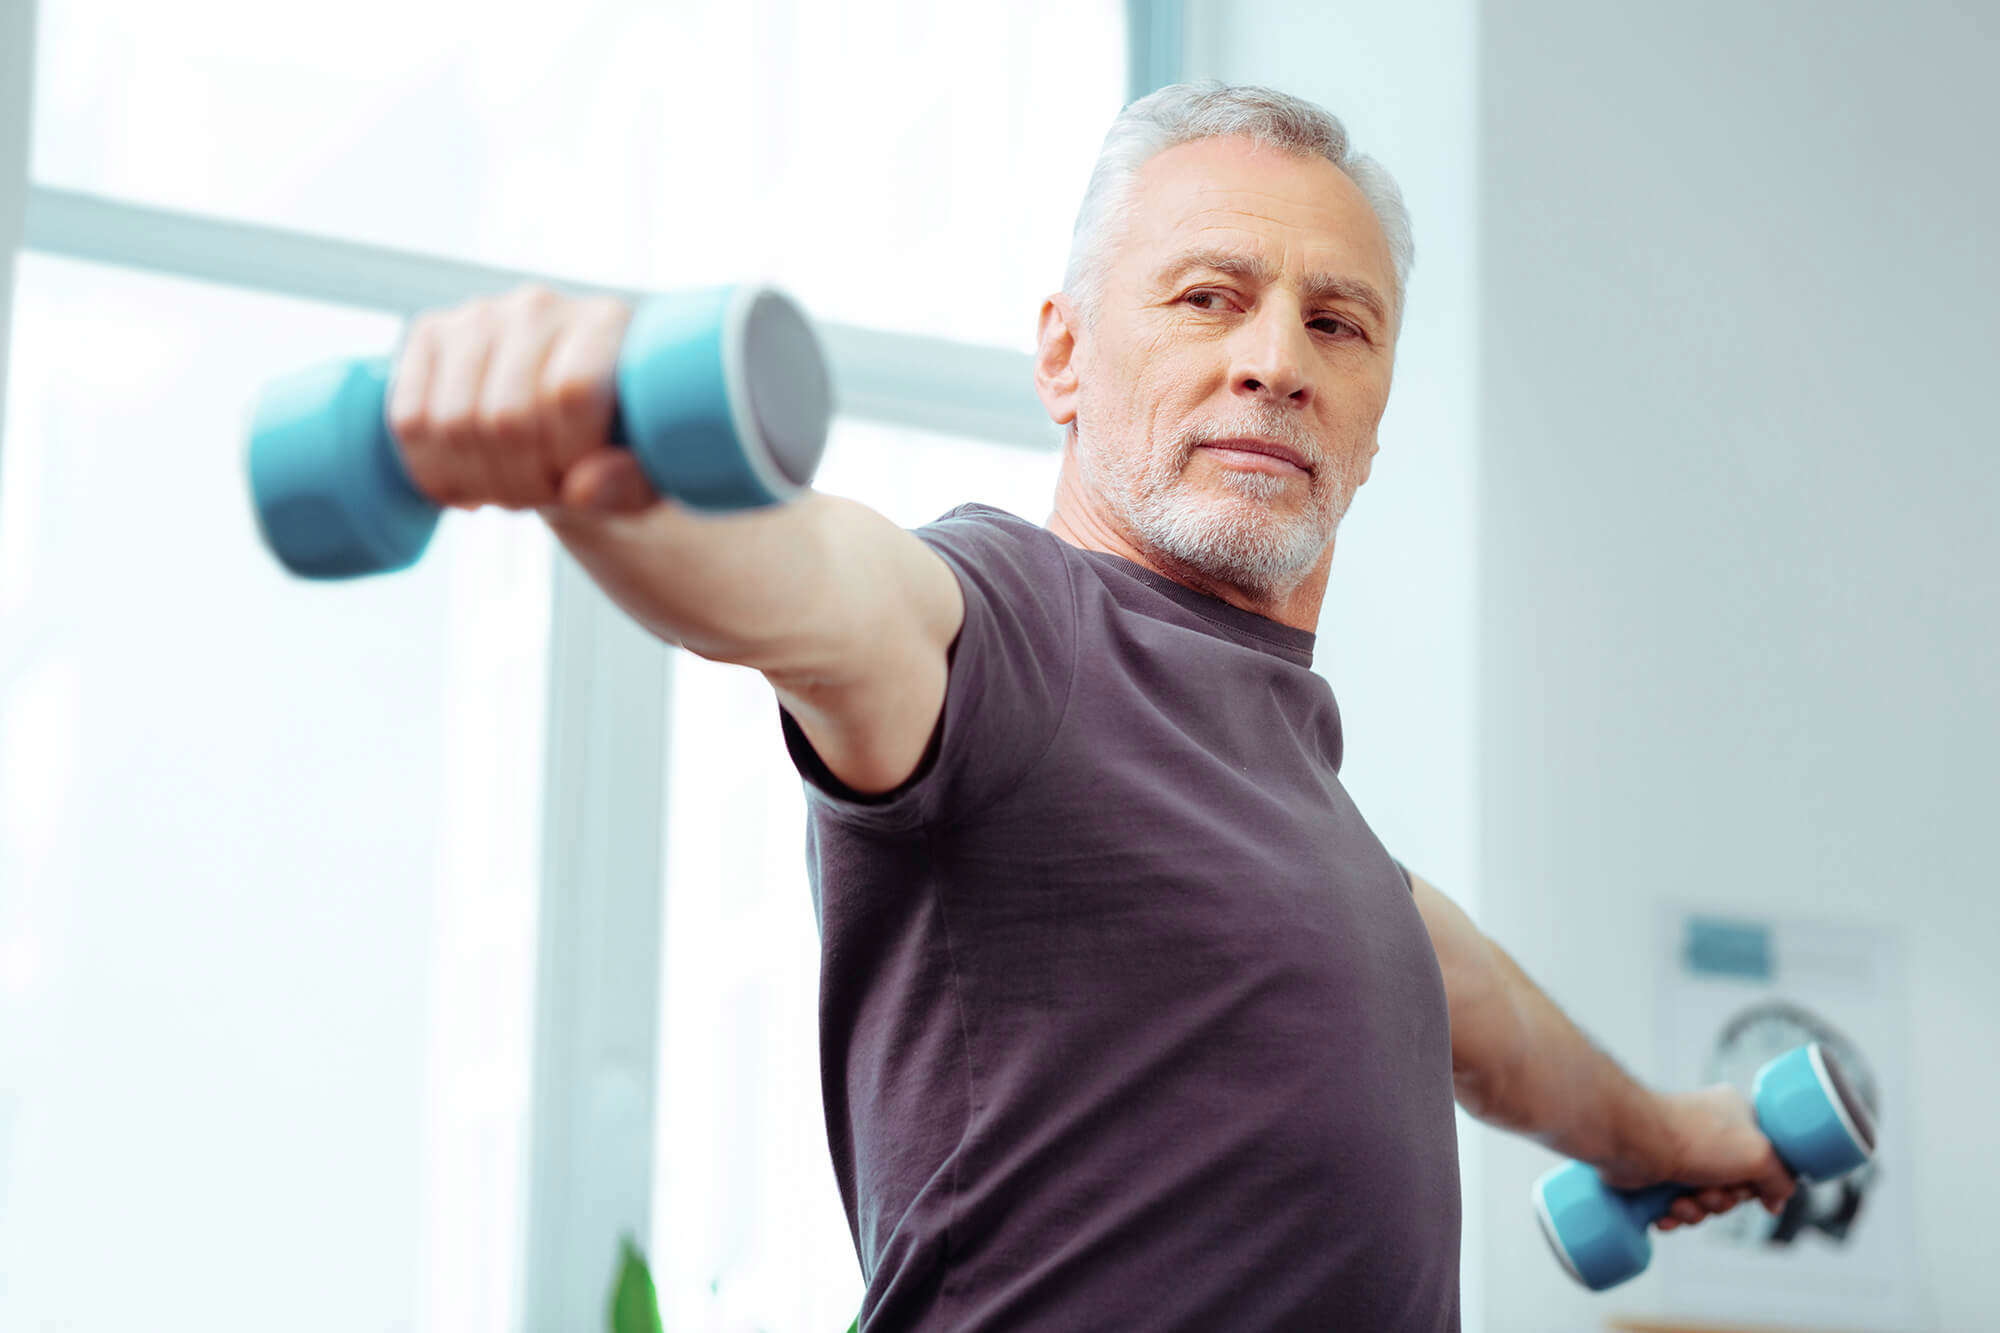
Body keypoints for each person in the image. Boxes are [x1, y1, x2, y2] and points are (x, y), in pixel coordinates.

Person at [384, 79, 1798, 1333]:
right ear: (1061, 356)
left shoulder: (1308, 809)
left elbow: (1461, 994)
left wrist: (1666, 1130)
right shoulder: (1011, 627)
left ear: (1373, 424)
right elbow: (818, 584)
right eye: (1208, 297)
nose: (1275, 361)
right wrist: (592, 461)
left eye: (1336, 324)